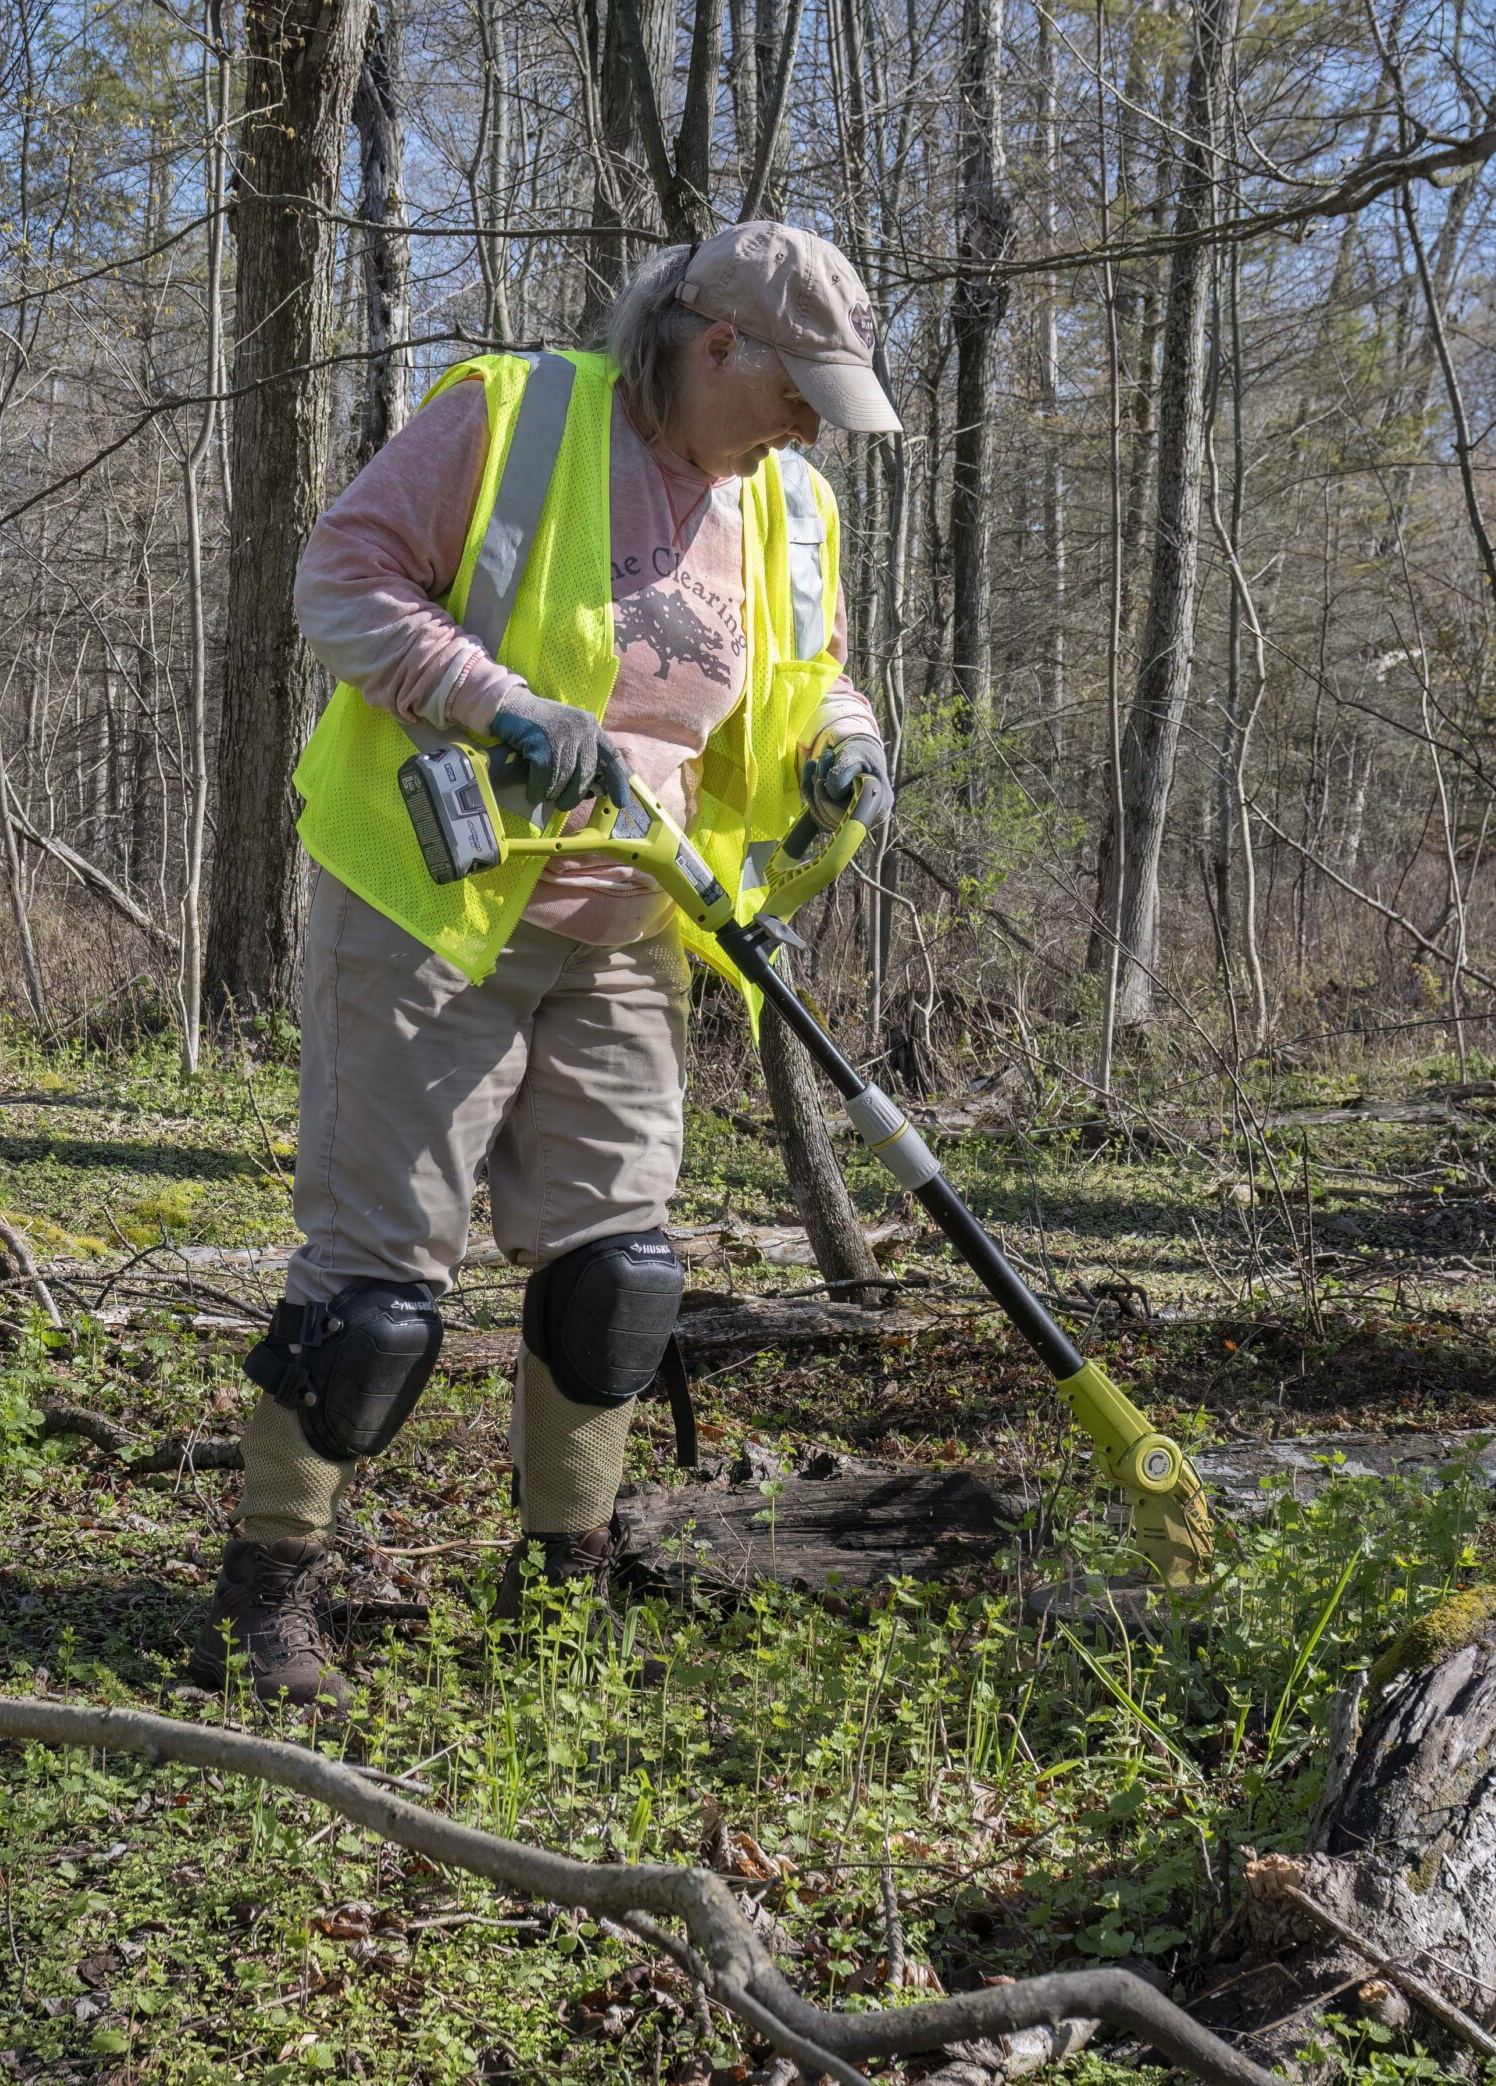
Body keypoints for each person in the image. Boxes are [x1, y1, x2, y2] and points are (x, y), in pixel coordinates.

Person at [189, 222, 900, 1708]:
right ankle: (269, 1585)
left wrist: (846, 747)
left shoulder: (789, 503)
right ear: (716, 346)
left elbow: (813, 674)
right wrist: (497, 701)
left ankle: (562, 1582)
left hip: (634, 921)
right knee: (379, 1293)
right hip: (433, 908)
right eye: (794, 391)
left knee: (618, 1276)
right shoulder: (514, 416)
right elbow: (342, 577)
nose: (805, 426)